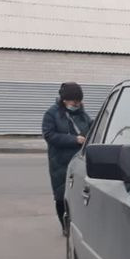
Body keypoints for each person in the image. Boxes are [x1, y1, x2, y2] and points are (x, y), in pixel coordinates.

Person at [42, 82, 92, 233]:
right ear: (64, 100)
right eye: (74, 101)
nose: (76, 104)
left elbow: (91, 127)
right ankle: (65, 226)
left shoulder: (82, 114)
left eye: (79, 101)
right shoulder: (52, 114)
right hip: (60, 161)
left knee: (80, 194)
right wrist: (74, 140)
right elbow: (49, 135)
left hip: (80, 160)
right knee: (61, 195)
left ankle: (79, 223)